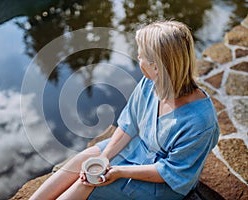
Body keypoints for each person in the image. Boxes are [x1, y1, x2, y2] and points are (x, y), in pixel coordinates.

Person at [30, 20, 220, 200]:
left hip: (162, 181)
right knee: (83, 160)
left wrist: (119, 172)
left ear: (156, 67)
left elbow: (170, 172)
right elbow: (129, 123)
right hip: (137, 148)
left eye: (141, 57)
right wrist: (103, 159)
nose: (138, 60)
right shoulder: (150, 83)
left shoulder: (200, 121)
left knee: (87, 184)